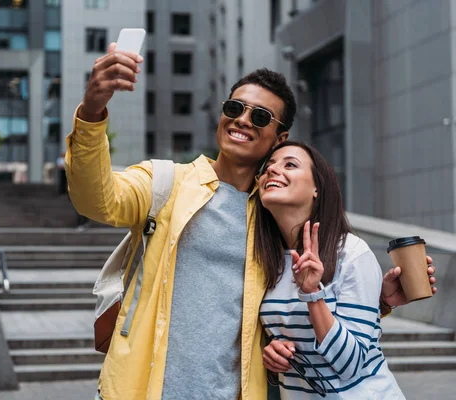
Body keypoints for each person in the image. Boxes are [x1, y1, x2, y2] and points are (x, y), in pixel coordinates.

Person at [65, 43, 437, 400]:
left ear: (281, 137)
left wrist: (376, 303)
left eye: (260, 116)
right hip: (142, 389)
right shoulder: (166, 183)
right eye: (234, 107)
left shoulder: (273, 214)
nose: (242, 119)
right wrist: (93, 111)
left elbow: (300, 301)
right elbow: (96, 200)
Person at [257, 141, 415, 398]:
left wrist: (312, 294)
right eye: (268, 167)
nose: (272, 171)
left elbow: (350, 365)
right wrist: (272, 354)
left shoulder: (352, 253)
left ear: (316, 188)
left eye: (290, 165)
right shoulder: (265, 258)